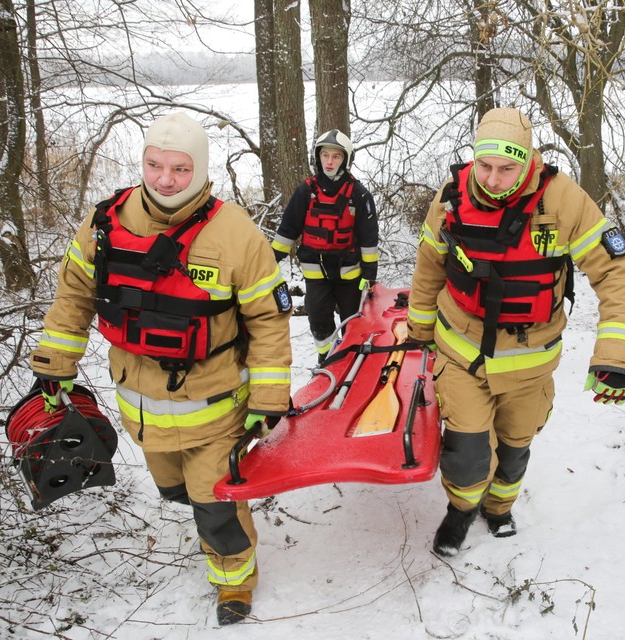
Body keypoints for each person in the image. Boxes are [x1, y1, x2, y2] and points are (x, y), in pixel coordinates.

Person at [28, 112, 294, 625]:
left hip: (216, 407)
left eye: (179, 168)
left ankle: (233, 583)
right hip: (142, 409)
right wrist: (54, 365)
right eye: (154, 165)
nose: (165, 179)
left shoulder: (235, 234)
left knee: (213, 501)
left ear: (200, 170)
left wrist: (269, 396)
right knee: (176, 491)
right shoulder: (104, 223)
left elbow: (267, 320)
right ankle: (199, 515)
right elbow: (74, 298)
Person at [405, 107, 625, 556]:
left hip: (532, 361)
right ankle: (460, 511)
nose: (493, 179)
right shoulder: (451, 197)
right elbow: (429, 264)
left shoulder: (563, 200)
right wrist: (418, 327)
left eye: (507, 168)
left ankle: (499, 509)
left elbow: (615, 273)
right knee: (467, 453)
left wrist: (615, 355)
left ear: (529, 159)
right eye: (485, 166)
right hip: (462, 352)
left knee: (515, 450)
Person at [272, 130, 379, 363]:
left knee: (352, 320)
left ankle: (352, 362)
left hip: (349, 274)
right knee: (319, 320)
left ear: (346, 159)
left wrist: (370, 276)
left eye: (336, 157)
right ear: (318, 157)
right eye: (325, 155)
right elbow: (287, 231)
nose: (329, 162)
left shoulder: (359, 195)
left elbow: (369, 239)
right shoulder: (305, 192)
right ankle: (327, 360)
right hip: (316, 273)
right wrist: (267, 262)